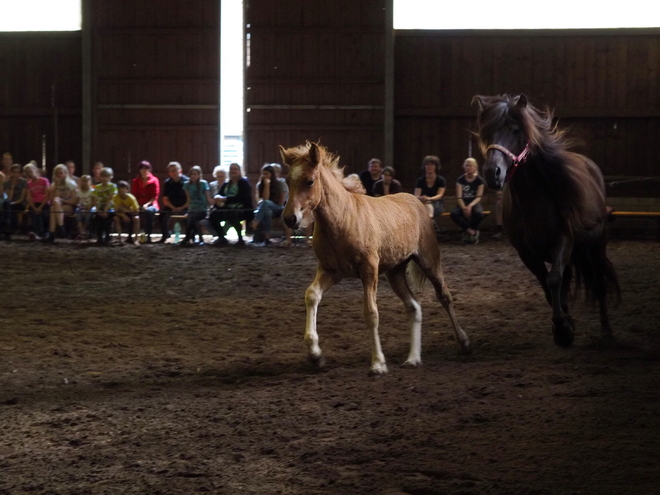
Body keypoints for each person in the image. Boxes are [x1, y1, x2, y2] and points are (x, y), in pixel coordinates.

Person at [208, 162, 253, 246]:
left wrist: (225, 199)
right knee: (213, 215)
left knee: (232, 214)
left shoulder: (244, 182)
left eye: (235, 169)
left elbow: (241, 198)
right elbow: (220, 194)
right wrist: (217, 199)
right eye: (231, 169)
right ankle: (221, 237)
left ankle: (240, 239)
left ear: (239, 171)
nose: (233, 171)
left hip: (242, 208)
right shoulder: (226, 183)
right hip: (226, 208)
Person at [450, 157, 486, 244]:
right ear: (464, 167)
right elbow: (459, 197)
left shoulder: (479, 180)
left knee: (479, 214)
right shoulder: (460, 180)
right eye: (467, 166)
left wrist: (470, 206)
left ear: (475, 167)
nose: (468, 167)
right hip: (463, 202)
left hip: (474, 202)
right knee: (454, 214)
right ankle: (469, 230)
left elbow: (478, 197)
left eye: (470, 166)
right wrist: (464, 208)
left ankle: (472, 231)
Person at [250, 163, 284, 246]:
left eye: (266, 174)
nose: (264, 176)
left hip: (278, 208)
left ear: (271, 175)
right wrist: (267, 185)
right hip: (266, 209)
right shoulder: (260, 185)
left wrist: (268, 203)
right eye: (263, 174)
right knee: (267, 212)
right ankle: (267, 239)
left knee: (266, 204)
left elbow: (280, 202)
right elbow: (263, 199)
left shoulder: (280, 184)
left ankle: (255, 223)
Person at [45, 163, 78, 242]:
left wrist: (62, 200)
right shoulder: (54, 185)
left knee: (54, 207)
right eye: (57, 173)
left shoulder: (71, 184)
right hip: (58, 207)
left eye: (61, 173)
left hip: (69, 206)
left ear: (65, 173)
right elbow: (52, 200)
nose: (59, 175)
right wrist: (57, 187)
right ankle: (60, 228)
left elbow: (74, 201)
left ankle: (53, 232)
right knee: (53, 207)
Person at [158, 161, 188, 243]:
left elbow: (190, 199)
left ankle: (189, 236)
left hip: (185, 205)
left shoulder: (187, 182)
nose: (173, 173)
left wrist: (182, 208)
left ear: (180, 170)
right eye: (171, 171)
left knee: (189, 217)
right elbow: (165, 199)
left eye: (175, 170)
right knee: (161, 216)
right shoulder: (168, 183)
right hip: (172, 206)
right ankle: (165, 235)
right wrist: (173, 208)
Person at [414, 155, 447, 230]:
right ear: (424, 167)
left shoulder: (441, 180)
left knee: (426, 206)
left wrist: (429, 199)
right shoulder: (420, 181)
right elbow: (416, 196)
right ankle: (431, 222)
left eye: (432, 165)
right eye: (427, 165)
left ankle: (430, 223)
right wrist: (422, 198)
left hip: (437, 204)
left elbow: (440, 195)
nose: (429, 167)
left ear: (436, 167)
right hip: (423, 204)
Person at [131, 160, 160, 243]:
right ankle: (131, 236)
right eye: (142, 168)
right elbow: (134, 195)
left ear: (149, 169)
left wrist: (146, 205)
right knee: (131, 211)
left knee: (148, 212)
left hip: (151, 204)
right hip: (138, 203)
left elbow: (155, 196)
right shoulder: (135, 181)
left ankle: (148, 236)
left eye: (146, 168)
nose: (144, 170)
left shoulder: (154, 180)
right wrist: (137, 205)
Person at [181, 165, 210, 245]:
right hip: (192, 209)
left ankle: (190, 238)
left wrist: (210, 204)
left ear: (199, 175)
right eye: (192, 174)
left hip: (202, 209)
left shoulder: (203, 183)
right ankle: (194, 238)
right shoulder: (186, 184)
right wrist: (186, 209)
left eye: (195, 174)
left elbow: (207, 197)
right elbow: (188, 199)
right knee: (191, 217)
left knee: (193, 217)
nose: (193, 176)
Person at [24, 163, 50, 240]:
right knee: (33, 214)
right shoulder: (29, 184)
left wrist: (40, 207)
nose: (29, 174)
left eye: (30, 171)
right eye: (27, 173)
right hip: (34, 204)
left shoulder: (44, 181)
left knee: (44, 214)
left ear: (35, 171)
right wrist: (34, 207)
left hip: (44, 203)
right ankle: (35, 232)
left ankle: (44, 232)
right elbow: (29, 197)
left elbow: (47, 195)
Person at [91, 167, 118, 245]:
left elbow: (110, 199)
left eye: (107, 176)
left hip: (110, 208)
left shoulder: (113, 186)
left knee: (107, 221)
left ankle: (108, 238)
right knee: (98, 220)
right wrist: (99, 210)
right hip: (100, 208)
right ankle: (99, 237)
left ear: (111, 177)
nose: (104, 179)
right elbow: (95, 199)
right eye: (103, 176)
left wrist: (105, 210)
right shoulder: (97, 187)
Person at [2, 163, 28, 240]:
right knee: (7, 204)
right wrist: (12, 187)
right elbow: (8, 197)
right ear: (11, 173)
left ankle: (9, 228)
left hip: (20, 202)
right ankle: (8, 228)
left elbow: (22, 198)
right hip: (10, 203)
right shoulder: (6, 183)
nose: (16, 174)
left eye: (18, 172)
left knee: (9, 206)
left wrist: (12, 203)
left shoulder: (23, 182)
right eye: (14, 172)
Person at [75, 175, 95, 240]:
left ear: (90, 182)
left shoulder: (92, 191)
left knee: (90, 213)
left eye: (87, 181)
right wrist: (81, 207)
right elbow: (77, 202)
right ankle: (81, 231)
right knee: (77, 211)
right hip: (82, 207)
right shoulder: (79, 192)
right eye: (83, 181)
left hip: (90, 207)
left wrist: (88, 208)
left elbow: (93, 203)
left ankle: (84, 229)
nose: (85, 183)